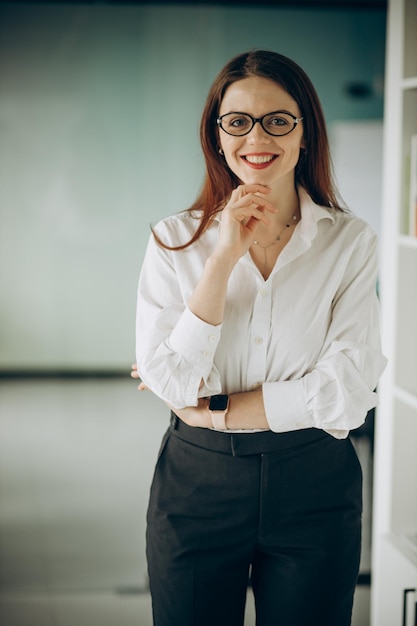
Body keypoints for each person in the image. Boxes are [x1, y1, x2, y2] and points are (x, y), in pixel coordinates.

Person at [132, 49, 387, 626]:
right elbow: (168, 378)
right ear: (218, 136)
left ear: (305, 133)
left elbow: (348, 390)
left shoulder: (349, 242)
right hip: (198, 488)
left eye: (278, 119)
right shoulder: (174, 241)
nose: (257, 136)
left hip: (315, 484)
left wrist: (216, 409)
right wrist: (223, 257)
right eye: (238, 120)